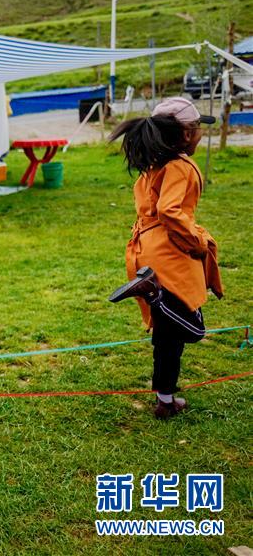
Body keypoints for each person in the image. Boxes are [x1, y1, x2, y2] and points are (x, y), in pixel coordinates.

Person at [107, 97, 222, 420]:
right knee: (192, 328)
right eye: (197, 128)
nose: (200, 135)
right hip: (168, 252)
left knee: (166, 336)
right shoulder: (179, 167)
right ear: (186, 134)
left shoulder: (152, 167)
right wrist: (197, 242)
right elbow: (169, 211)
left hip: (145, 249)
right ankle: (155, 292)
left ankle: (165, 400)